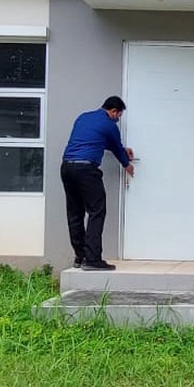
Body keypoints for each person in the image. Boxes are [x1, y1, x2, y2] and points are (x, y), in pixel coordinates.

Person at [60, 95, 135, 271]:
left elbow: (93, 140)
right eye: (118, 116)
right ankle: (93, 259)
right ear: (113, 111)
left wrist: (122, 150)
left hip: (67, 167)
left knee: (75, 213)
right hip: (86, 170)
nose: (118, 120)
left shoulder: (83, 117)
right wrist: (127, 164)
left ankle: (80, 257)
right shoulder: (109, 125)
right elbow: (115, 146)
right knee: (96, 211)